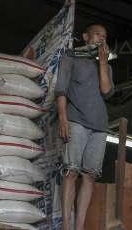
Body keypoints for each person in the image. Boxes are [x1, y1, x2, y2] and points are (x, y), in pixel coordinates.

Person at [55, 24, 115, 230]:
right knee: (71, 172)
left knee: (89, 176)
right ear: (85, 36)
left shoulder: (106, 66)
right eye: (98, 34)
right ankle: (65, 225)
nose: (101, 38)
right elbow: (61, 90)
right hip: (76, 120)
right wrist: (63, 118)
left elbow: (106, 91)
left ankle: (79, 227)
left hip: (100, 126)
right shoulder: (70, 58)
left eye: (105, 36)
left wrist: (103, 63)